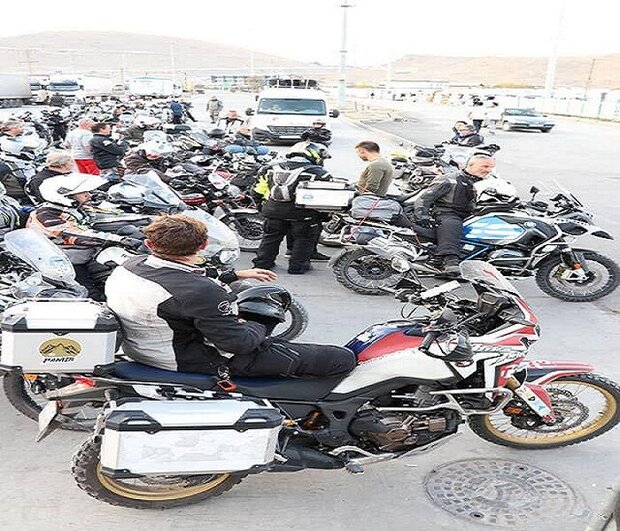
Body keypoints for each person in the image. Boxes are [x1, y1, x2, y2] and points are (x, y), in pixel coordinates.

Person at [105, 214, 356, 377]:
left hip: (145, 346)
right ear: (203, 245)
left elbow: (182, 277)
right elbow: (239, 344)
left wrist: (236, 275)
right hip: (191, 360)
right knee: (340, 358)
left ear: (150, 245)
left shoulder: (132, 265)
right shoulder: (201, 292)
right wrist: (263, 320)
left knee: (288, 348)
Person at [27, 173, 142, 298]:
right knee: (89, 294)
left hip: (86, 253)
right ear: (66, 195)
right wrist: (120, 239)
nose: (89, 195)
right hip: (65, 259)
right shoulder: (45, 214)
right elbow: (76, 234)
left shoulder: (72, 208)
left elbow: (109, 215)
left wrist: (147, 221)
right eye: (83, 192)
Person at [253, 142, 332, 274]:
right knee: (304, 240)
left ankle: (262, 265)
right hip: (303, 214)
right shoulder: (320, 173)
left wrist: (263, 208)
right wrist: (323, 216)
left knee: (270, 238)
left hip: (274, 212)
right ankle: (298, 267)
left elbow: (257, 191)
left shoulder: (268, 168)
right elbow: (326, 198)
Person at [413, 154, 496, 275]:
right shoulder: (450, 179)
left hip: (474, 213)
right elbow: (424, 199)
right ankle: (450, 261)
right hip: (447, 212)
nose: (489, 170)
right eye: (485, 166)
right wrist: (422, 216)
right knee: (451, 223)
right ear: (471, 165)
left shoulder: (490, 182)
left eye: (491, 167)